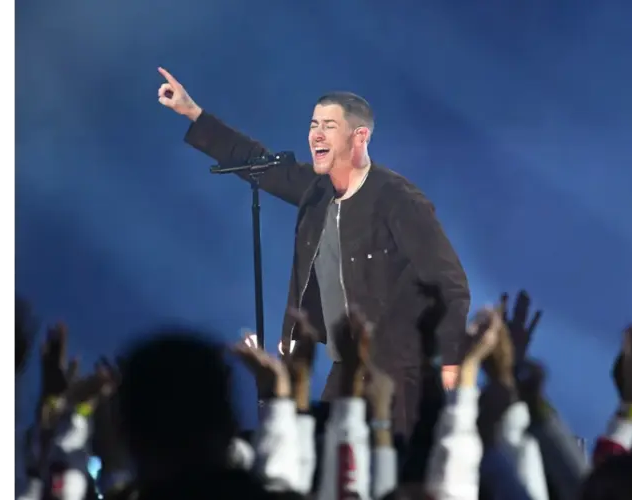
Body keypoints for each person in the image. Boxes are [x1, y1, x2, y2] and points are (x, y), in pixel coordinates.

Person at [156, 67, 471, 438]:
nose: (315, 134)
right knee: (327, 455)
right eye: (312, 124)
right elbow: (261, 163)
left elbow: (450, 284)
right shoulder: (317, 192)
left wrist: (450, 362)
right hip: (348, 367)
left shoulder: (397, 200)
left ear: (360, 136)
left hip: (403, 370)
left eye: (328, 126)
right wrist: (194, 113)